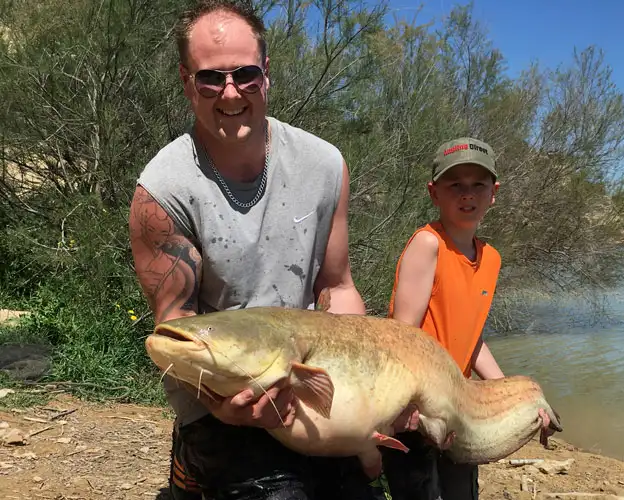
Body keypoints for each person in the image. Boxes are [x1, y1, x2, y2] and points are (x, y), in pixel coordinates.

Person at [127, 1, 411, 499]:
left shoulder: (324, 165)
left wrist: (371, 389)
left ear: (267, 76)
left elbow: (337, 286)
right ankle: (193, 464)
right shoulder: (160, 191)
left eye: (246, 75)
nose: (231, 92)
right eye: (211, 78)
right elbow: (175, 328)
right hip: (220, 394)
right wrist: (219, 405)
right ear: (186, 81)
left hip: (306, 370)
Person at [381, 137, 555, 500]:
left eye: (478, 185)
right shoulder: (428, 245)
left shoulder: (491, 258)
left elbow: (469, 336)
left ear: (494, 193)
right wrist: (405, 407)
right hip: (416, 412)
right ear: (434, 193)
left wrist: (513, 396)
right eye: (454, 185)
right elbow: (400, 338)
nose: (467, 194)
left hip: (458, 407)